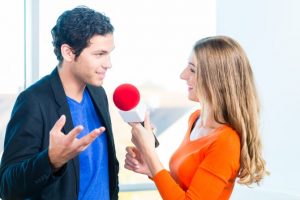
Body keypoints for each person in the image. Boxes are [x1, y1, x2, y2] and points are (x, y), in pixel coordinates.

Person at [124, 36, 268, 199]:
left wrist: (149, 152)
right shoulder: (196, 119)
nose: (183, 75)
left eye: (192, 70)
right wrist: (151, 168)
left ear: (216, 80)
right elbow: (187, 189)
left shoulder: (226, 142)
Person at [0, 6, 119, 200]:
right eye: (99, 54)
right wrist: (50, 160)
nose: (108, 63)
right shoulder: (33, 101)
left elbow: (105, 168)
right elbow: (7, 186)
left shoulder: (98, 94)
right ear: (69, 52)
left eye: (109, 53)